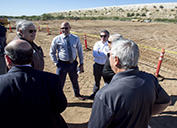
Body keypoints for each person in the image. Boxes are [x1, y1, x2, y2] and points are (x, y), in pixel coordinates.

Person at [88, 39, 171, 128]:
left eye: (109, 55)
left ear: (116, 60)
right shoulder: (151, 80)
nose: (108, 58)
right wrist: (143, 115)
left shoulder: (105, 95)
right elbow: (165, 102)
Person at [0, 39, 68, 128]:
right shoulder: (51, 79)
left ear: (8, 59)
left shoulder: (1, 82)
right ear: (32, 58)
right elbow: (60, 106)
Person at [50, 21, 85, 100]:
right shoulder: (57, 39)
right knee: (60, 82)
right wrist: (56, 63)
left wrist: (81, 63)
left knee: (75, 80)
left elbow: (80, 51)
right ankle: (58, 97)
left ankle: (77, 94)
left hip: (73, 64)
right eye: (62, 28)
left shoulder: (75, 38)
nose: (64, 30)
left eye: (66, 28)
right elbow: (52, 52)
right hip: (62, 64)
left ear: (70, 28)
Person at [89, 30, 110, 99]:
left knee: (107, 81)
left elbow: (108, 55)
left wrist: (99, 53)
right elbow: (95, 54)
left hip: (106, 66)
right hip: (97, 65)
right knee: (96, 80)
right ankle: (95, 93)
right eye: (101, 36)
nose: (103, 38)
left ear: (108, 36)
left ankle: (105, 95)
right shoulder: (97, 44)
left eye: (104, 36)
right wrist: (104, 54)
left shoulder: (110, 44)